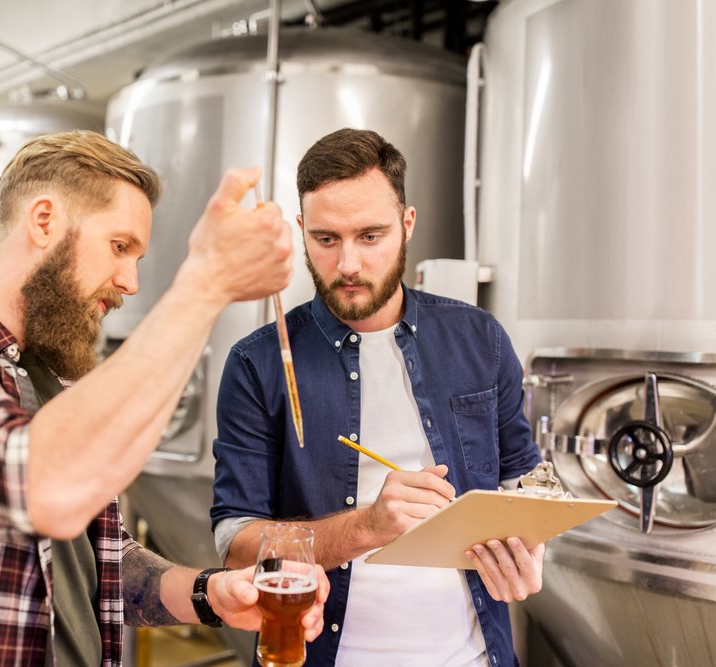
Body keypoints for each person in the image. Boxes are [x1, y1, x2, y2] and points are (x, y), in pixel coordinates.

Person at [0, 129, 328, 666]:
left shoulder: (59, 379)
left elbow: (105, 562)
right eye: (119, 247)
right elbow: (42, 488)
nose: (130, 281)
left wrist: (210, 594)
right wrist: (204, 284)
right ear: (44, 221)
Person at [211, 128, 544, 667]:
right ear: (301, 231)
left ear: (407, 224)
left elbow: (523, 484)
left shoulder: (480, 339)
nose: (347, 265)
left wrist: (529, 546)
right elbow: (235, 540)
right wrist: (368, 527)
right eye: (325, 239)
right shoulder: (259, 363)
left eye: (370, 236)